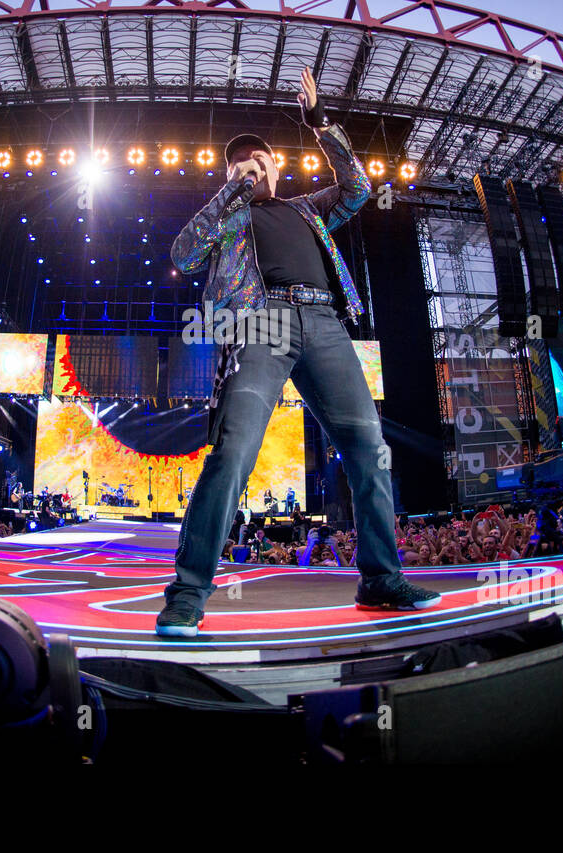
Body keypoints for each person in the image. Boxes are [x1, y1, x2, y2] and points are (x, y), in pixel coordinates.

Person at [156, 66, 438, 637]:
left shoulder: (310, 209)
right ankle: (188, 593)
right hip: (261, 323)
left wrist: (320, 123)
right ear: (227, 175)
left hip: (326, 324)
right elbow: (183, 253)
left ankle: (381, 579)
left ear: (277, 165)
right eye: (238, 164)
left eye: (258, 160)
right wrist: (231, 191)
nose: (250, 167)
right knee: (232, 452)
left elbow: (358, 188)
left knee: (370, 448)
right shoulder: (230, 220)